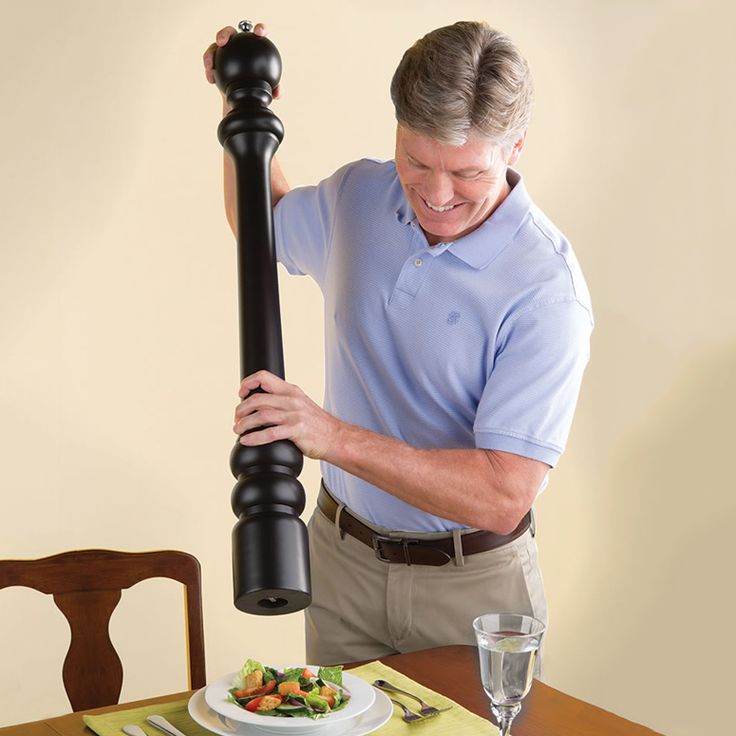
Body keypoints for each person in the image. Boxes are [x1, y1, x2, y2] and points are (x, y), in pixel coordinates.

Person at [203, 20, 593, 669]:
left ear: (516, 146)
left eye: (466, 173)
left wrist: (331, 437)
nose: (436, 197)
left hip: (473, 592)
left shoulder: (547, 290)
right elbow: (260, 225)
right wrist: (242, 104)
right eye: (417, 161)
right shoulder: (359, 196)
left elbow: (503, 493)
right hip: (342, 567)